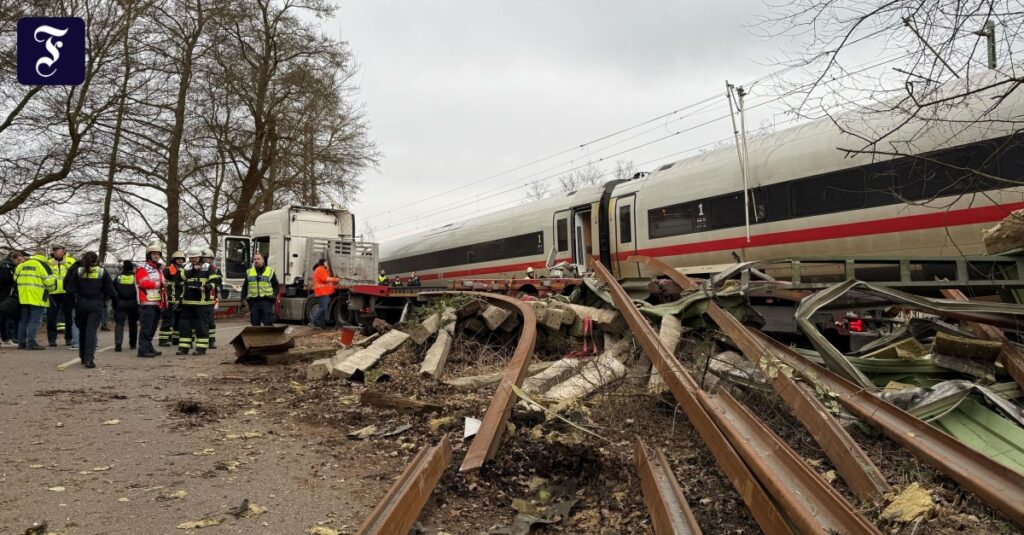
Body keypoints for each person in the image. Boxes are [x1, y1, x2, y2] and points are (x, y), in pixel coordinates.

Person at [64, 252, 118, 368]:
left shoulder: (78, 271)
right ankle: (89, 359)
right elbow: (111, 290)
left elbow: (70, 290)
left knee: (83, 331)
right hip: (96, 303)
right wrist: (114, 304)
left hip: (81, 304)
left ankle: (83, 357)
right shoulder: (102, 272)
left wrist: (73, 304)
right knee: (91, 332)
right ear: (96, 260)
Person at [178, 247, 219, 355]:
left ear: (200, 256)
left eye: (195, 257)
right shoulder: (185, 267)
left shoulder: (208, 267)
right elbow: (180, 277)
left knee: (201, 326)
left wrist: (207, 287)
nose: (193, 259)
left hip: (202, 303)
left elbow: (216, 280)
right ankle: (184, 348)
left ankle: (201, 348)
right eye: (191, 258)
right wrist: (192, 270)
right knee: (184, 326)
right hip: (187, 302)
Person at [15, 249, 56, 350]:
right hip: (37, 297)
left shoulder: (21, 265)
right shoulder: (43, 265)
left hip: (23, 297)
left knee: (23, 320)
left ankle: (21, 342)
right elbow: (49, 282)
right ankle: (31, 343)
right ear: (44, 256)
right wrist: (52, 289)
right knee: (35, 321)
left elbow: (15, 278)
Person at [135, 241, 166, 358]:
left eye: (158, 254)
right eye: (154, 254)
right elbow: (143, 282)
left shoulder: (158, 269)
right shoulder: (143, 268)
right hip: (146, 302)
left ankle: (148, 346)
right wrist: (161, 284)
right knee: (146, 327)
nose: (156, 256)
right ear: (149, 255)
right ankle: (142, 350)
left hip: (157, 302)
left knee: (153, 327)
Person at [47, 244, 78, 348]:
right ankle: (52, 339)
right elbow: (44, 275)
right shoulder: (48, 261)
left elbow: (76, 272)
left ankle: (68, 338)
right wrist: (51, 265)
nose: (55, 251)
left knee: (69, 317)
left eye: (57, 250)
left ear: (64, 251)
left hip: (67, 293)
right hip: (53, 293)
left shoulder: (71, 260)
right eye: (54, 250)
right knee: (51, 317)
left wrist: (65, 264)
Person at [241, 253, 279, 326]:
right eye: (255, 259)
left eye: (258, 259)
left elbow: (276, 286)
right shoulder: (249, 272)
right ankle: (257, 337)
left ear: (263, 260)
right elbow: (245, 287)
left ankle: (269, 337)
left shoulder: (270, 271)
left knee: (267, 322)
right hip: (254, 302)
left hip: (266, 301)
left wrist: (274, 295)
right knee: (255, 323)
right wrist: (242, 299)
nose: (256, 261)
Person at [159, 251, 186, 347]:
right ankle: (163, 340)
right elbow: (161, 281)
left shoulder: (184, 270)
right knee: (168, 320)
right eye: (178, 259)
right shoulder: (168, 270)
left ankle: (176, 339)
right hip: (169, 300)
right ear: (174, 260)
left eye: (181, 259)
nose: (180, 260)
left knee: (179, 321)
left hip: (180, 300)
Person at [0, 251, 25, 346]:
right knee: (3, 317)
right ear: (13, 259)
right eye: (18, 260)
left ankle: (5, 338)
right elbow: (4, 281)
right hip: (3, 295)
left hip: (6, 294)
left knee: (5, 317)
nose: (20, 262)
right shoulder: (5, 267)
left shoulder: (9, 266)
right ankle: (5, 339)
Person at [114, 260, 139, 352]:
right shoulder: (135, 277)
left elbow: (114, 290)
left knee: (119, 324)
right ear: (132, 268)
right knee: (133, 324)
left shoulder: (119, 277)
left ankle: (118, 344)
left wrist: (115, 302)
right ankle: (133, 344)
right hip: (133, 303)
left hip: (121, 302)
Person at [202, 248, 221, 349]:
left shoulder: (215, 269)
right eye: (205, 258)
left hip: (212, 297)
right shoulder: (199, 268)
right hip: (199, 298)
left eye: (208, 258)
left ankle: (211, 340)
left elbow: (219, 281)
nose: (207, 260)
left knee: (210, 320)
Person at [310, 258, 338, 328]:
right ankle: (312, 322)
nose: (327, 263)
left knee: (323, 307)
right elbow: (325, 279)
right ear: (322, 263)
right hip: (322, 291)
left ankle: (321, 324)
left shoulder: (320, 269)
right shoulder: (320, 269)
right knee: (323, 307)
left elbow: (325, 276)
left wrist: (327, 269)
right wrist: (335, 279)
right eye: (326, 262)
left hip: (322, 291)